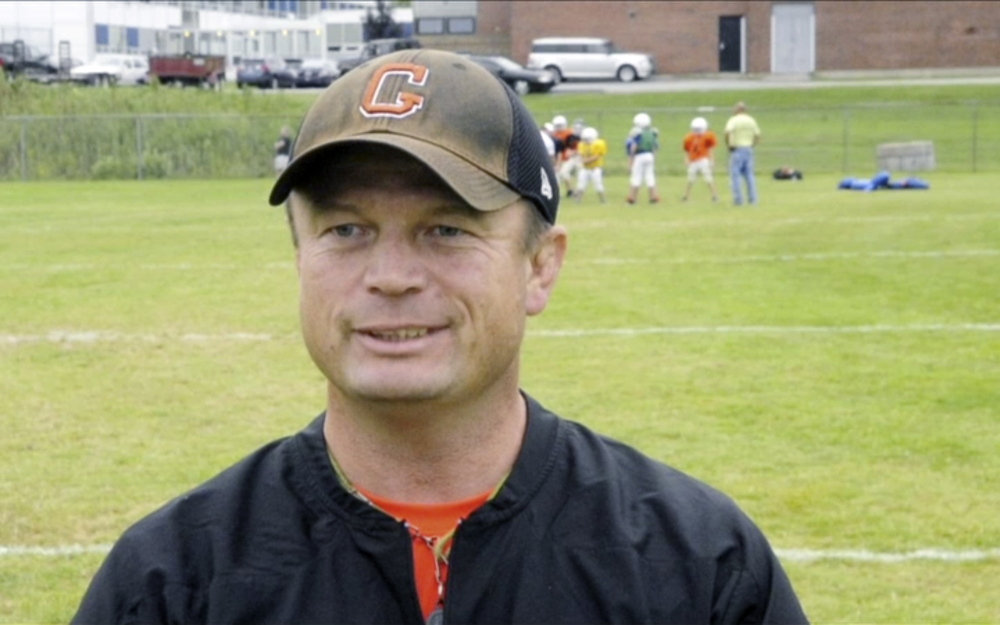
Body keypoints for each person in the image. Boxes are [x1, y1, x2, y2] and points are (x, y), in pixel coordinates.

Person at [72, 50, 808, 624]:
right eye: (346, 229)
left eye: (447, 228)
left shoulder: (699, 567)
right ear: (300, 256)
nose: (390, 275)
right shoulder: (172, 580)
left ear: (540, 267)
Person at [724, 101, 762, 205]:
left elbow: (728, 132)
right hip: (748, 148)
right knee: (749, 175)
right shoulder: (751, 120)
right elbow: (757, 135)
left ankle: (738, 200)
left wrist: (729, 144)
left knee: (735, 175)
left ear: (737, 110)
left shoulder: (734, 120)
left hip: (737, 149)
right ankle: (753, 199)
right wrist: (752, 145)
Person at [681, 116, 719, 203]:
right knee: (690, 179)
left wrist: (712, 160)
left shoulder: (708, 136)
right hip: (693, 160)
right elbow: (687, 150)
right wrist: (686, 159)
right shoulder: (689, 137)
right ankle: (686, 196)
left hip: (703, 159)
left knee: (708, 178)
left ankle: (714, 195)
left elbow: (710, 149)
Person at [626, 112, 661, 204]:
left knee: (636, 176)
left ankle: (632, 198)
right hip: (650, 155)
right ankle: (654, 197)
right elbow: (655, 147)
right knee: (650, 176)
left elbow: (634, 146)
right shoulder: (652, 132)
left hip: (640, 155)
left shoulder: (638, 133)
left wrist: (631, 159)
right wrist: (654, 158)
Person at [572, 126, 607, 203]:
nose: (586, 141)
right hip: (585, 168)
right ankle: (578, 200)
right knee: (580, 185)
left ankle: (603, 200)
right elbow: (580, 154)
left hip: (595, 168)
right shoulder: (581, 144)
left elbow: (597, 156)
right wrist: (580, 159)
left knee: (598, 185)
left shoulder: (599, 144)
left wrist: (585, 161)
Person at [550, 114, 580, 198]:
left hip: (569, 158)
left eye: (560, 125)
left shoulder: (570, 133)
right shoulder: (554, 134)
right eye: (557, 125)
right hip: (558, 158)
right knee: (558, 176)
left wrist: (572, 152)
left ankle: (571, 190)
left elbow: (577, 147)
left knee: (564, 173)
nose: (559, 127)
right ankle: (561, 192)